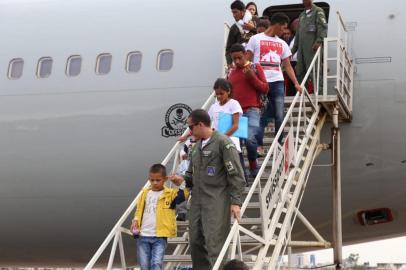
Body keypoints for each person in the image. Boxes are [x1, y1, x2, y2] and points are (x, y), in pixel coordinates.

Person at [172, 109, 246, 270]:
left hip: (216, 202)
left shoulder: (223, 143)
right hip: (197, 202)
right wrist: (182, 180)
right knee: (196, 243)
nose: (189, 131)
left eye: (191, 127)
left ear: (200, 124)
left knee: (215, 245)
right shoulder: (196, 148)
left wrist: (235, 202)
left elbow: (236, 175)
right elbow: (190, 177)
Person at [246, 12, 302, 146]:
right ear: (277, 25)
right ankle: (258, 144)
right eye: (283, 27)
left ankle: (279, 143)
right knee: (259, 114)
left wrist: (296, 83)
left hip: (277, 81)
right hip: (260, 81)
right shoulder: (255, 39)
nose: (284, 31)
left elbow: (287, 66)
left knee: (279, 114)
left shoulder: (282, 43)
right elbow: (247, 60)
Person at [130, 164, 189, 270]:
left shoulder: (170, 194)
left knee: (157, 263)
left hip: (159, 237)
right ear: (149, 179)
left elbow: (184, 195)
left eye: (158, 180)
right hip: (143, 235)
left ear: (165, 179)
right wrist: (135, 220)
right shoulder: (145, 193)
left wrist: (180, 183)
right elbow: (139, 210)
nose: (155, 183)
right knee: (144, 265)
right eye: (152, 180)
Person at [228, 43, 269, 177]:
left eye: (239, 57)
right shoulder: (231, 73)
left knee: (251, 139)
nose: (237, 61)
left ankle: (252, 164)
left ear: (246, 54)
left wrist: (252, 77)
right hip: (236, 112)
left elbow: (265, 88)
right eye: (234, 59)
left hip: (252, 109)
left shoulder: (255, 67)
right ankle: (242, 175)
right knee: (236, 145)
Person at [207, 78, 247, 182]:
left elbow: (235, 126)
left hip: (231, 141)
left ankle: (243, 183)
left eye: (222, 93)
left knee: (237, 166)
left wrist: (222, 138)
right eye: (217, 94)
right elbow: (205, 124)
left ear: (228, 91)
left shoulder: (234, 104)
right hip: (217, 142)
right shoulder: (213, 107)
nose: (219, 96)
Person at [291, 0, 327, 84]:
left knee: (314, 73)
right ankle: (302, 94)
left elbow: (323, 27)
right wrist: (292, 51)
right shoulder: (302, 15)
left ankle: (319, 94)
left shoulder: (318, 11)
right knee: (299, 72)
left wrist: (319, 41)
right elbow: (298, 35)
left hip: (312, 49)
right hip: (301, 51)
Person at [226, 1, 256, 66]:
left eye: (235, 12)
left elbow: (266, 36)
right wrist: (229, 63)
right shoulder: (234, 27)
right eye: (232, 12)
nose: (233, 15)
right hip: (240, 63)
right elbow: (228, 49)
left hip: (256, 61)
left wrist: (253, 29)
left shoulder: (256, 21)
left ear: (243, 12)